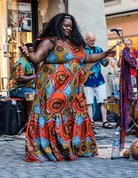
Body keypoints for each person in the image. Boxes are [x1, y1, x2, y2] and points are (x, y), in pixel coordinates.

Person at [20, 13, 115, 162]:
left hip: (72, 91)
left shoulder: (74, 43)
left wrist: (104, 54)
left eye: (70, 26)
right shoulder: (50, 42)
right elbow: (36, 58)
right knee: (52, 116)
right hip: (53, 89)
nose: (68, 28)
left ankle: (69, 148)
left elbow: (88, 58)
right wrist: (27, 54)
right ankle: (52, 148)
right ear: (58, 25)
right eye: (65, 25)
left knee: (72, 117)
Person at [83, 32, 112, 129]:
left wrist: (107, 60)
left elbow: (104, 64)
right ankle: (91, 121)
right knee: (89, 102)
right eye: (91, 40)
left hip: (99, 79)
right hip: (87, 79)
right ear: (86, 40)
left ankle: (105, 121)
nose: (93, 42)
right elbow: (79, 64)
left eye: (94, 40)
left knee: (103, 100)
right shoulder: (82, 51)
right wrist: (84, 70)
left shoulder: (99, 50)